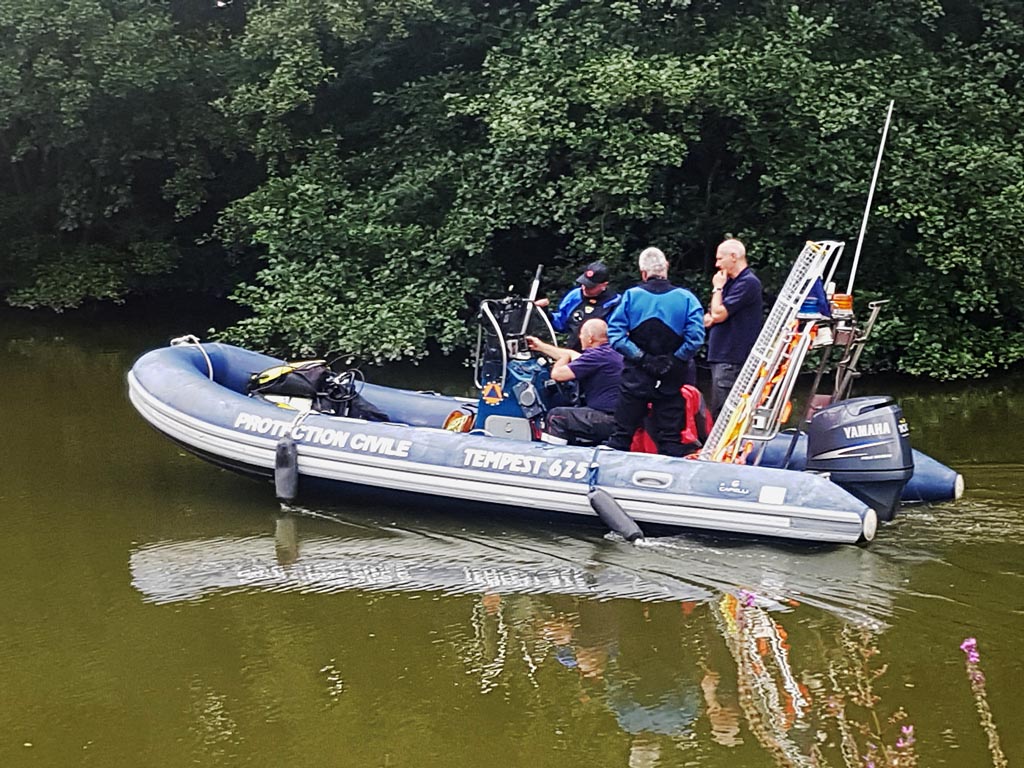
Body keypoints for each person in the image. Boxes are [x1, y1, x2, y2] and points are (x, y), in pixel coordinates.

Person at [605, 247, 705, 456]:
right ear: (666, 268)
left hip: (635, 379)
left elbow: (615, 335)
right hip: (671, 378)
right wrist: (674, 360)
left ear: (643, 273)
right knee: (671, 438)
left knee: (621, 436)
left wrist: (642, 358)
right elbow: (695, 338)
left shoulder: (631, 297)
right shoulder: (686, 299)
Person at [526, 318, 624, 445]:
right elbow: (573, 355)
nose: (579, 336)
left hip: (607, 419)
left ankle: (553, 457)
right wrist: (540, 346)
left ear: (590, 338)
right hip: (622, 418)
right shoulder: (609, 353)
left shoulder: (596, 357)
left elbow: (557, 375)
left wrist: (562, 359)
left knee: (556, 416)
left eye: (581, 333)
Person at [703, 238, 764, 417]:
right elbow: (708, 318)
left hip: (732, 357)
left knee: (724, 412)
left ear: (734, 257)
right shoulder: (729, 282)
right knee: (717, 406)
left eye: (720, 259)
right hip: (720, 354)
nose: (716, 264)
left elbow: (718, 314)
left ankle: (726, 445)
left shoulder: (748, 282)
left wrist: (717, 290)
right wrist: (716, 313)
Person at [536, 261, 621, 350]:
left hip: (600, 355)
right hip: (572, 353)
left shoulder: (615, 303)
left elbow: (616, 335)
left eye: (590, 286)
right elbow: (561, 324)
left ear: (604, 285)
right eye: (583, 284)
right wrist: (545, 312)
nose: (584, 288)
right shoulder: (575, 295)